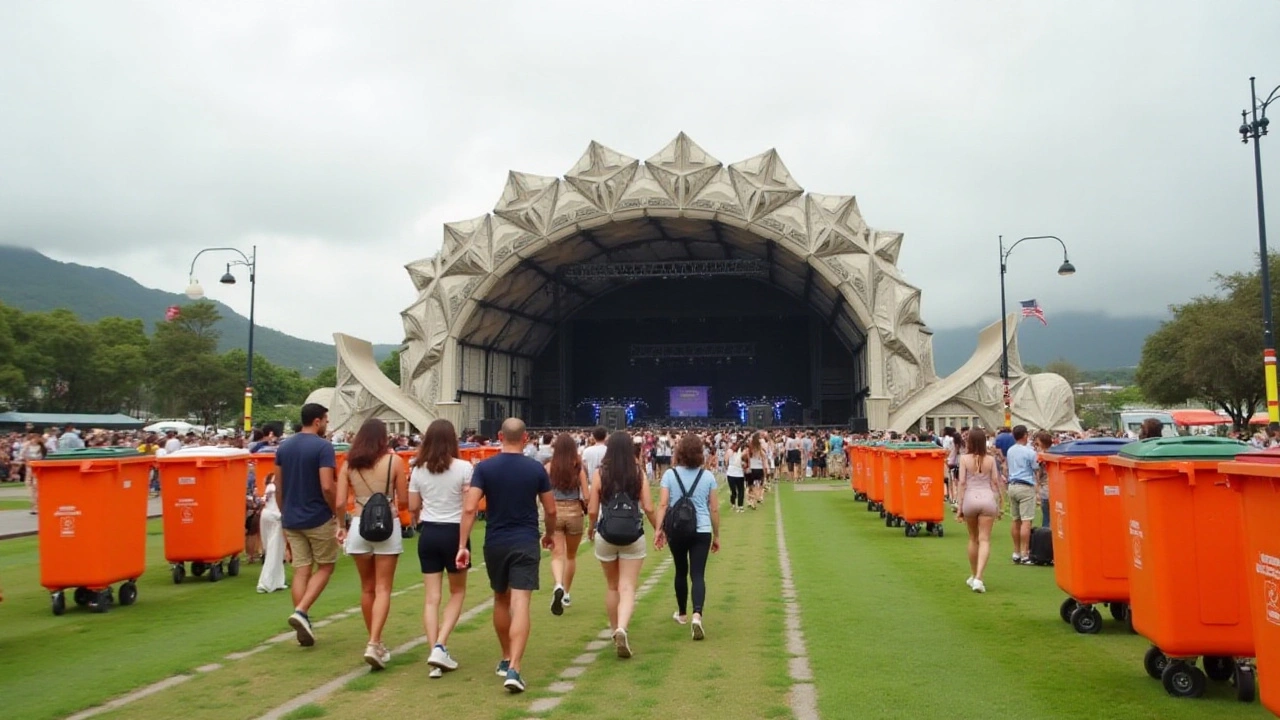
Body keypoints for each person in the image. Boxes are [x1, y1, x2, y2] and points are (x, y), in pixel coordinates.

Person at [456, 418, 556, 694]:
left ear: (500, 436)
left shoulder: (485, 468)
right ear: (525, 438)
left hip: (495, 541)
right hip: (525, 540)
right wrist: (548, 534)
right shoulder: (535, 468)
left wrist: (463, 544)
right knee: (521, 602)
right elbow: (550, 509)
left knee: (500, 598)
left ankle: (505, 656)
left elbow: (469, 508)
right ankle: (515, 666)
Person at [334, 418, 407, 669]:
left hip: (358, 524)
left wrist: (340, 526)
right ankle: (375, 642)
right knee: (384, 587)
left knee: (367, 588)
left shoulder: (349, 464)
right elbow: (404, 499)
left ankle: (374, 640)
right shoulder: (394, 461)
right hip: (387, 523)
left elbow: (340, 501)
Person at [408, 419, 473, 678]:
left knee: (431, 597)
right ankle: (440, 644)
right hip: (455, 531)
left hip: (430, 532)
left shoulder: (418, 469)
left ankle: (435, 649)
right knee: (457, 592)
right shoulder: (464, 468)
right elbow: (470, 504)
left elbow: (413, 506)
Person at [588, 431, 659, 658]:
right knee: (627, 586)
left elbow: (591, 509)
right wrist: (659, 528)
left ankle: (613, 628)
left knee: (612, 586)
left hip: (606, 533)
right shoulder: (637, 473)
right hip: (632, 533)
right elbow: (648, 507)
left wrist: (591, 527)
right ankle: (622, 627)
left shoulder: (600, 473)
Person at [275, 403, 338, 647]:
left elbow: (279, 486)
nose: (326, 424)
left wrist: (284, 513)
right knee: (325, 567)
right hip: (317, 516)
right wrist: (336, 512)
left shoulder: (284, 446)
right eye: (325, 420)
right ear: (317, 421)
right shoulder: (323, 447)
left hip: (291, 516)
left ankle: (303, 618)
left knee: (302, 569)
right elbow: (327, 485)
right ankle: (302, 611)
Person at [655, 434, 720, 640]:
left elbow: (663, 504)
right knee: (698, 574)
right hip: (701, 528)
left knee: (680, 570)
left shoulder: (670, 475)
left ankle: (682, 613)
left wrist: (658, 529)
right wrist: (717, 535)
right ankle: (697, 615)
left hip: (677, 529)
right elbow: (715, 509)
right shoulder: (707, 477)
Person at [545, 432, 588, 617]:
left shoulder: (548, 467)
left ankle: (558, 584)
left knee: (557, 555)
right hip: (574, 512)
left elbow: (542, 493)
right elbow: (586, 494)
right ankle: (567, 594)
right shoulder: (578, 468)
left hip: (554, 512)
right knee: (571, 556)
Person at [956, 427, 1001, 593]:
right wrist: (1000, 502)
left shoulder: (964, 459)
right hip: (987, 499)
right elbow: (995, 481)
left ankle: (975, 574)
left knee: (973, 538)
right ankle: (979, 577)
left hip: (970, 498)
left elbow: (962, 482)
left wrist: (959, 506)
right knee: (984, 539)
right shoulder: (990, 459)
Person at [1005, 425, 1039, 565]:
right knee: (1026, 520)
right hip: (1025, 485)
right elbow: (1036, 468)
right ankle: (1025, 554)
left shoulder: (1010, 450)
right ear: (1025, 435)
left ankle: (1016, 551)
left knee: (1015, 519)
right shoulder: (1029, 452)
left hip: (1012, 485)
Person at [257, 473, 288, 593]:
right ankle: (265, 583)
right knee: (274, 550)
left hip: (266, 515)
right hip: (275, 516)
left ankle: (278, 581)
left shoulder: (269, 487)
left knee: (273, 549)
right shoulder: (277, 487)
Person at [1033, 430, 1055, 529]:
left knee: (1046, 518)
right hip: (1055, 488)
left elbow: (1038, 474)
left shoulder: (1041, 457)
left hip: (1045, 489)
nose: (1035, 445)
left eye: (1037, 443)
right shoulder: (1055, 453)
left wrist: (1037, 490)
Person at [725, 441, 746, 513]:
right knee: (740, 490)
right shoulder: (740, 453)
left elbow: (726, 461)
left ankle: (734, 504)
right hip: (738, 473)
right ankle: (740, 506)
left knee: (733, 490)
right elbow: (744, 464)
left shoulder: (730, 452)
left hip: (731, 473)